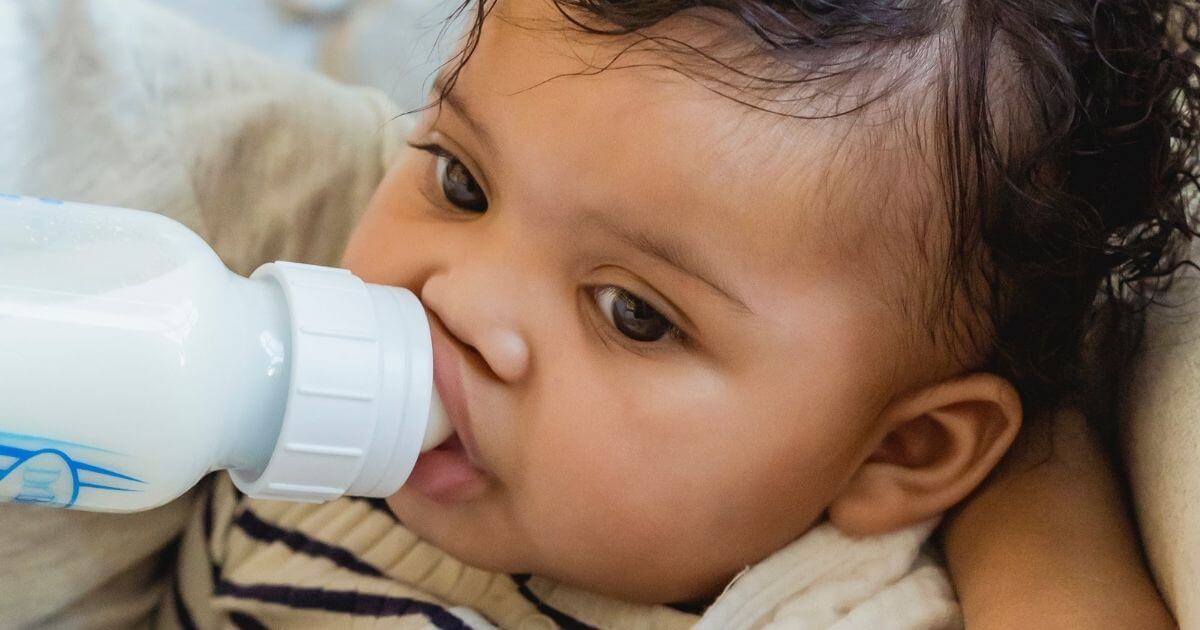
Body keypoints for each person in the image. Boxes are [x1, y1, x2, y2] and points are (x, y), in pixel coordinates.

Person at [0, 0, 1184, 627]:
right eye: (461, 181)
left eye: (631, 312)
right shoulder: (266, 305)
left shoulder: (835, 612)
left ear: (897, 448)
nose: (454, 300)